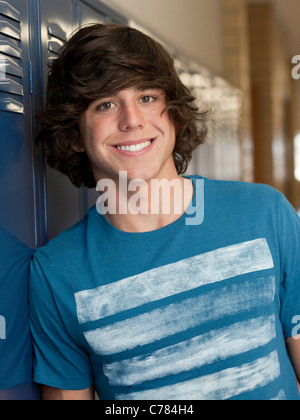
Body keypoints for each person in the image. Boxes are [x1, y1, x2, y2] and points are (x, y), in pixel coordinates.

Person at [29, 23, 300, 401]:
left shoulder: (265, 213)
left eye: (147, 97)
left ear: (171, 112)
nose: (132, 120)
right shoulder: (55, 273)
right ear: (75, 135)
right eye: (105, 104)